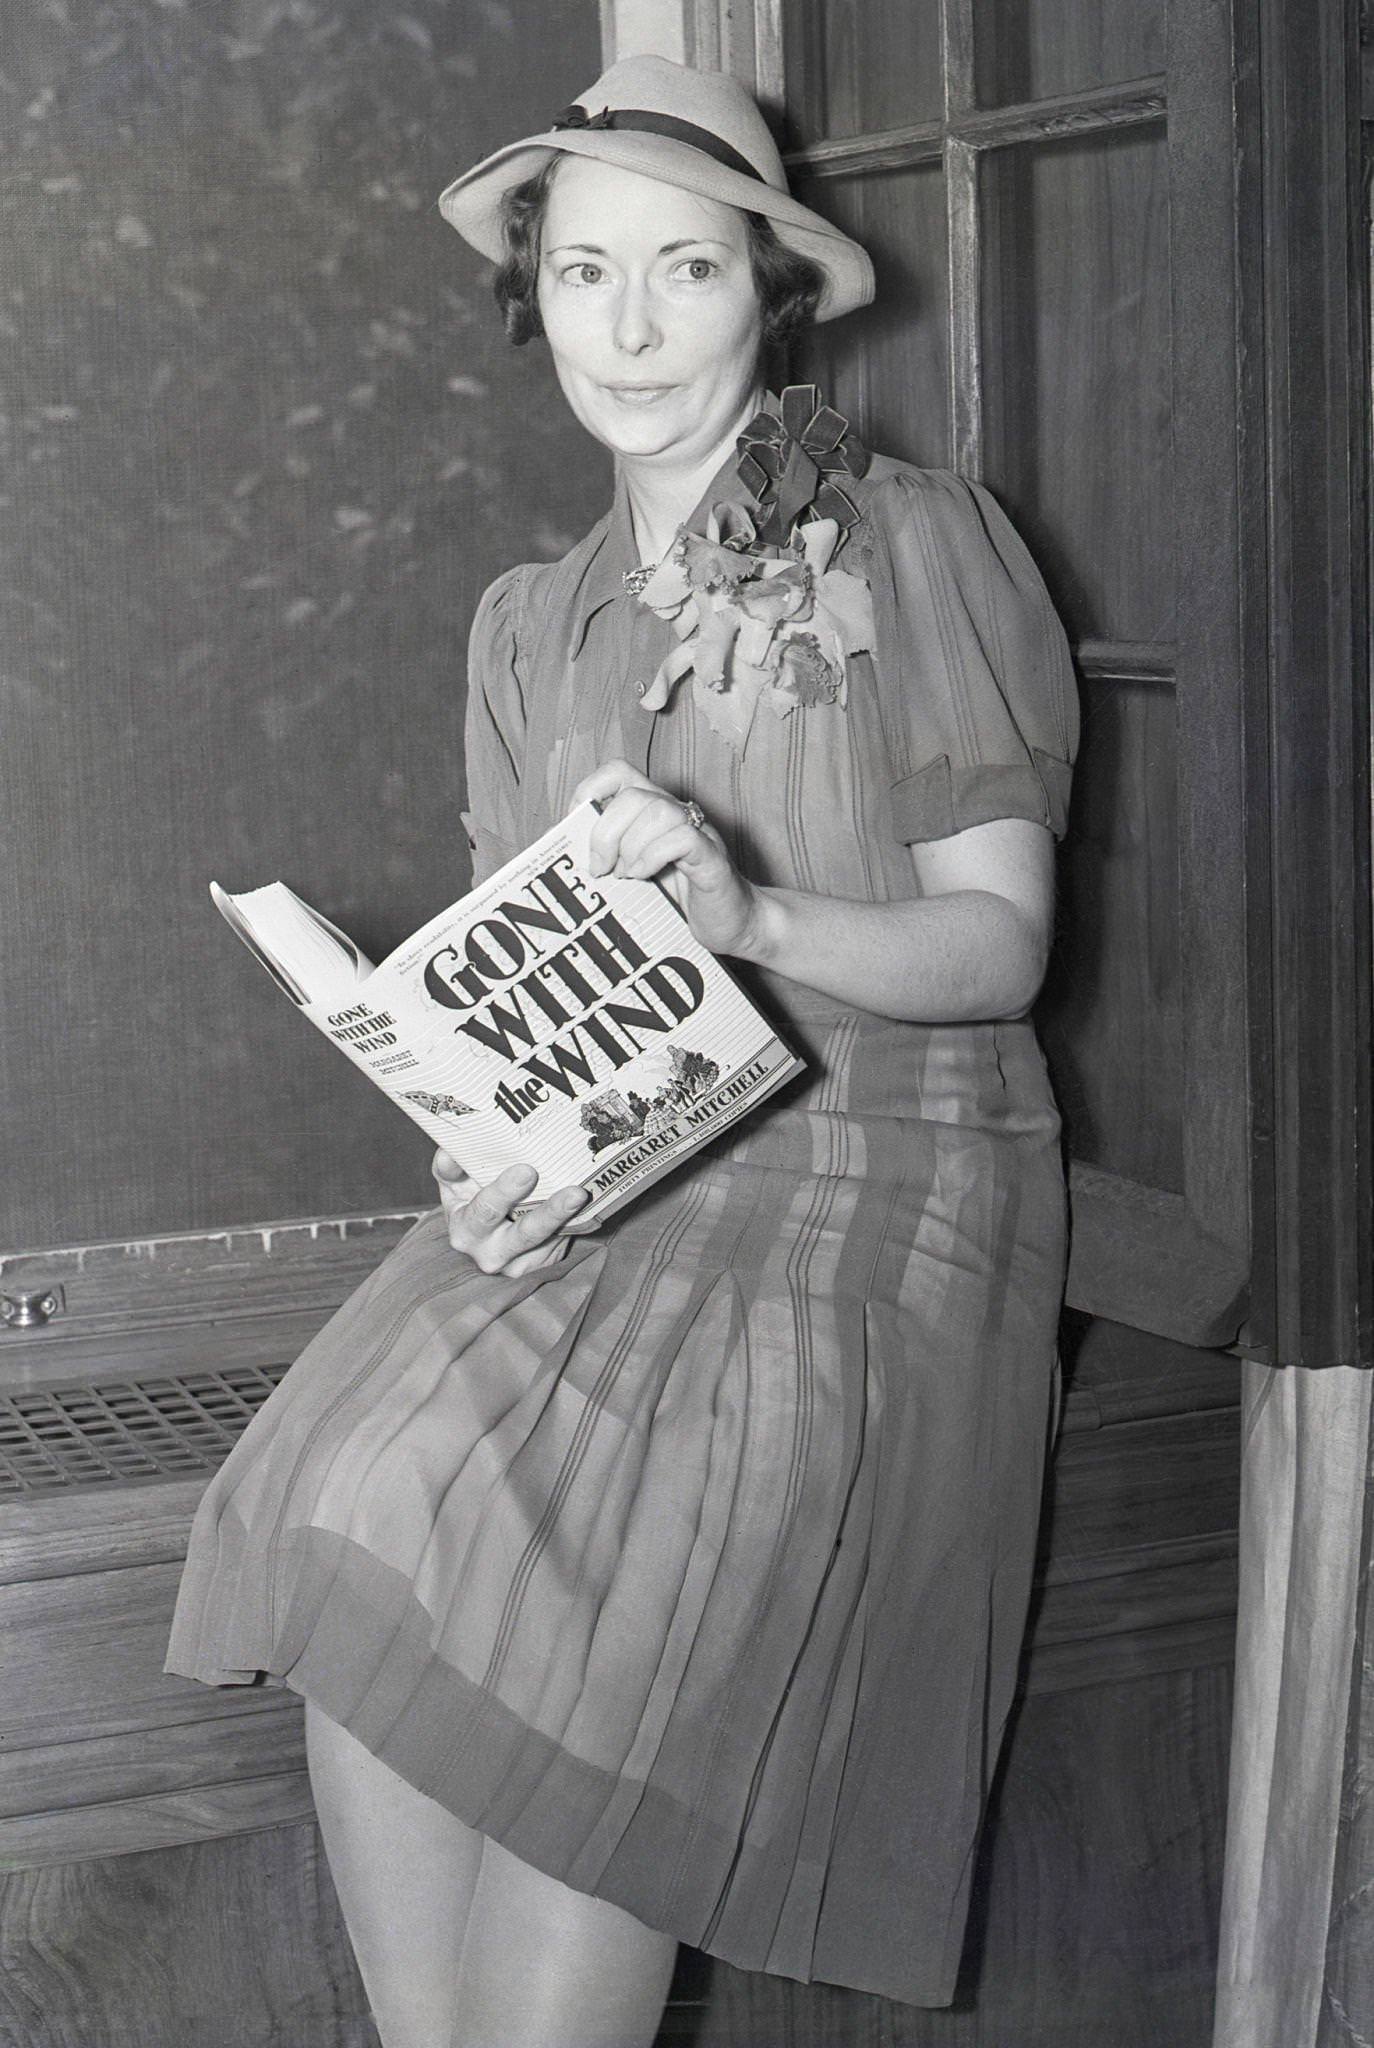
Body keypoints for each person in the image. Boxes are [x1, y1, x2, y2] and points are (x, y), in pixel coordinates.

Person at [164, 54, 1079, 2048]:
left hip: (881, 1188)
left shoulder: (911, 542)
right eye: (586, 274)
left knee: (618, 1614)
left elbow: (1002, 948)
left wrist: (753, 918)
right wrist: (486, 1151)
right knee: (348, 1482)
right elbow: (536, 997)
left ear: (771, 288)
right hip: (630, 1180)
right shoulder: (527, 626)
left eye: (685, 269)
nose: (637, 327)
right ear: (535, 295)